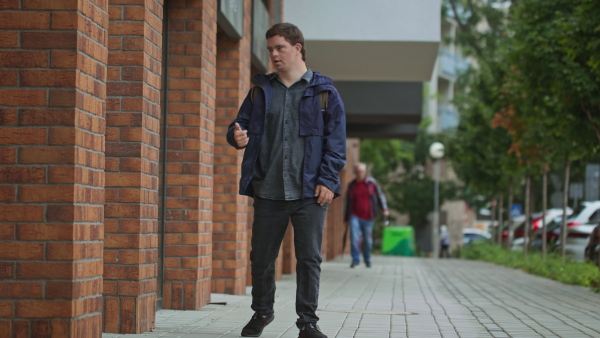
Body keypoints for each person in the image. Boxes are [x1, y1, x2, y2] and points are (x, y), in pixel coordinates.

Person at [226, 23, 346, 338]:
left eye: (279, 48)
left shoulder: (324, 92)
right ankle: (262, 312)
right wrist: (236, 134)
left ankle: (307, 323)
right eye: (270, 50)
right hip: (268, 189)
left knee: (309, 259)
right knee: (262, 258)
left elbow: (336, 143)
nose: (274, 55)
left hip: (310, 192)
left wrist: (328, 180)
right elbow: (239, 123)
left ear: (297, 47)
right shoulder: (260, 90)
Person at [344, 163, 388, 268]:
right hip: (355, 216)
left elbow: (380, 196)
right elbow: (348, 203)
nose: (360, 174)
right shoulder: (352, 186)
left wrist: (384, 209)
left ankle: (367, 259)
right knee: (354, 238)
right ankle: (355, 259)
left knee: (367, 241)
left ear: (365, 172)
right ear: (355, 173)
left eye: (362, 172)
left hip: (369, 217)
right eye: (358, 172)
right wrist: (346, 218)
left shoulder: (372, 184)